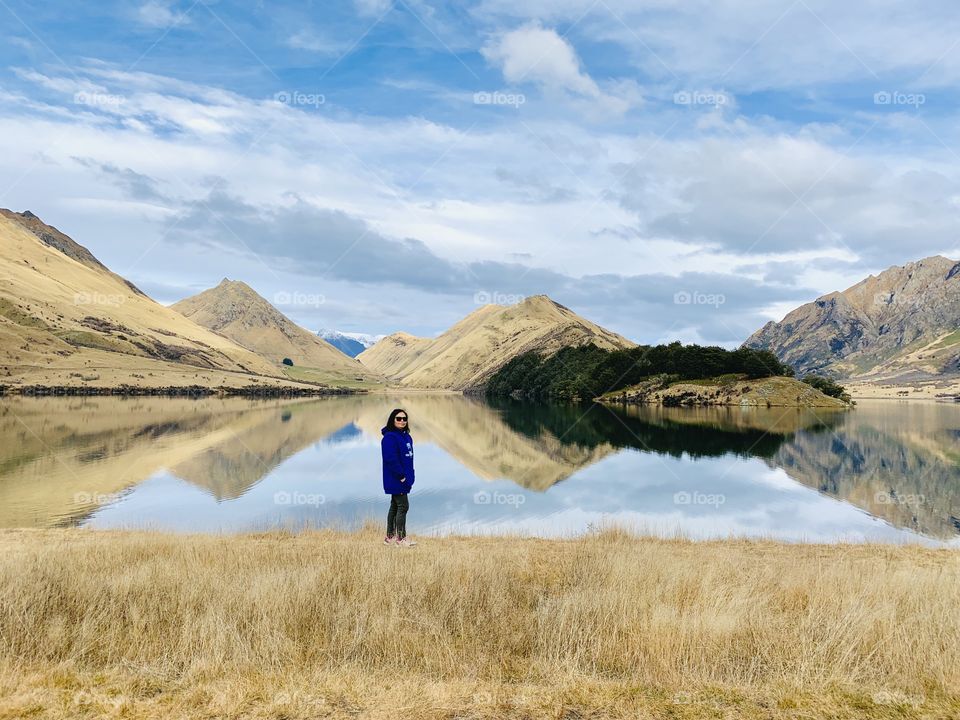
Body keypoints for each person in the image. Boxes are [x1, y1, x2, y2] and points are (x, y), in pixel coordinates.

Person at [381, 408, 417, 547]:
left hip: (405, 477)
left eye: (404, 418)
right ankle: (400, 539)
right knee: (403, 506)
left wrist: (410, 475)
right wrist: (401, 476)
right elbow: (390, 459)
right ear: (392, 420)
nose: (402, 421)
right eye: (398, 418)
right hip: (396, 478)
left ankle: (389, 538)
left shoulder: (406, 436)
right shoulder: (389, 437)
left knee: (395, 506)